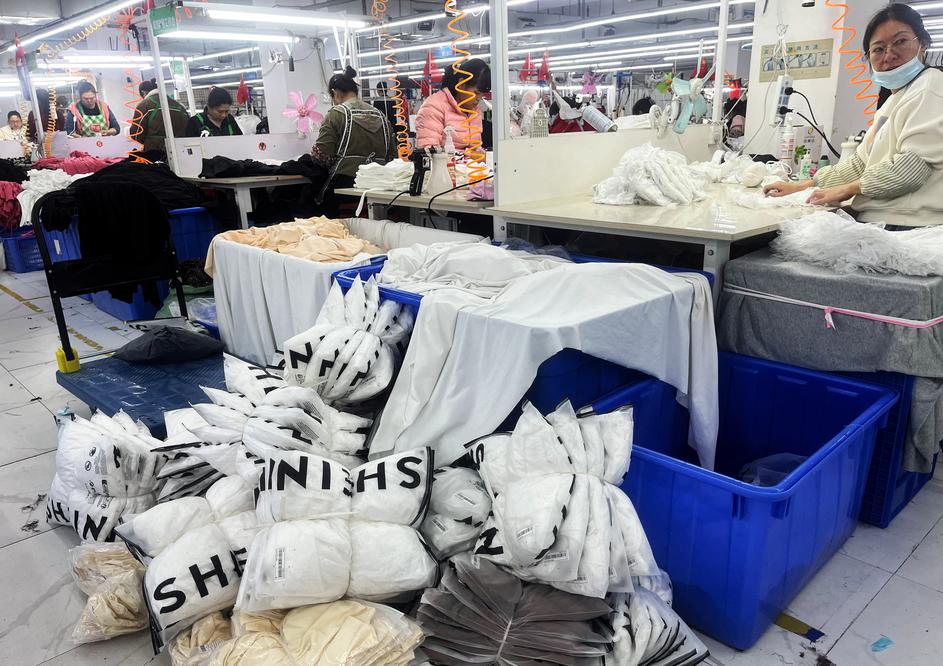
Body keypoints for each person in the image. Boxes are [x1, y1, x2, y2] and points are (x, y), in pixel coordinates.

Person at [764, 3, 943, 227]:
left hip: (907, 226)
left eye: (900, 42)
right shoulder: (893, 102)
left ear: (923, 44)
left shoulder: (931, 86)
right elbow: (859, 164)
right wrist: (802, 186)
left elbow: (911, 169)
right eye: (878, 49)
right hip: (881, 222)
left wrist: (846, 190)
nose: (889, 55)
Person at [312, 66, 396, 215]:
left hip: (345, 188)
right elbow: (392, 157)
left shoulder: (336, 114)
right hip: (379, 186)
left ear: (334, 94)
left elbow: (321, 156)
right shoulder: (381, 116)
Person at [415, 58, 490, 150]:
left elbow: (475, 149)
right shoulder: (434, 107)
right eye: (477, 93)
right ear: (461, 84)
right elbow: (428, 152)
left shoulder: (474, 111)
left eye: (482, 94)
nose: (479, 99)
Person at [131, 79, 189, 152]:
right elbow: (189, 131)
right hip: (181, 151)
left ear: (143, 92)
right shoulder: (179, 106)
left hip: (155, 153)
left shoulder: (144, 105)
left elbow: (136, 134)